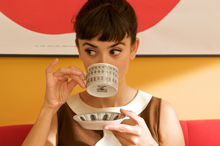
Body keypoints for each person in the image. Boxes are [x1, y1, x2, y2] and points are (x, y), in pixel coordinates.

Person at [22, 0, 185, 145]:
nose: (103, 62)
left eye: (115, 51)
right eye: (91, 51)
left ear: (133, 49)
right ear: (79, 49)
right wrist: (48, 108)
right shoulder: (62, 113)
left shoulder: (160, 112)